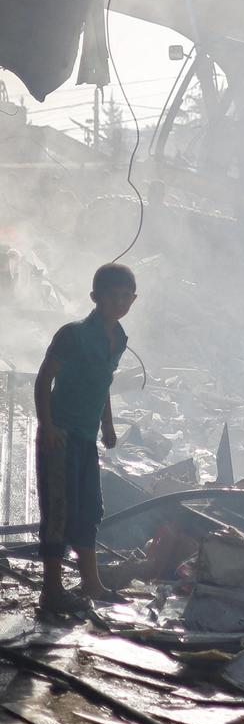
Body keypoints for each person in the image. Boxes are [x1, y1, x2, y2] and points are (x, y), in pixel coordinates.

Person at [34, 263, 138, 615]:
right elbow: (43, 380)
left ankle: (92, 583)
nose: (119, 302)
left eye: (126, 296)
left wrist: (107, 425)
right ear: (95, 297)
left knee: (90, 508)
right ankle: (51, 591)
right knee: (58, 510)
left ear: (134, 299)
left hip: (86, 437)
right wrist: (47, 425)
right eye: (113, 296)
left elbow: (102, 383)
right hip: (60, 434)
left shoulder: (119, 337)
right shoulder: (73, 334)